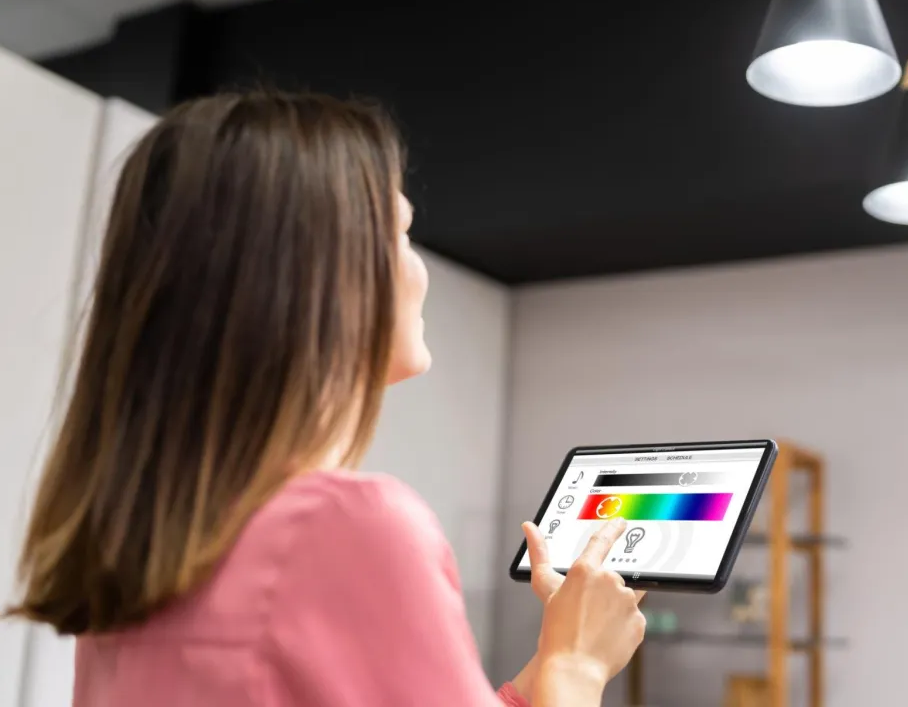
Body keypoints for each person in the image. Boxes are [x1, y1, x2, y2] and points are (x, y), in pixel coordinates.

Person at [5, 92, 645, 706]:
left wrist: (547, 665)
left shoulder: (146, 552)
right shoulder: (345, 527)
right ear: (327, 278)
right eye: (401, 234)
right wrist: (578, 666)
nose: (418, 270)